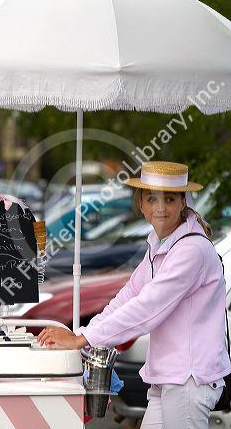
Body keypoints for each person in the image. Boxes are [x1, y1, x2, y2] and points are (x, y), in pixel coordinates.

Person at [37, 161, 231, 429]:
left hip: (189, 379)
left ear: (183, 202)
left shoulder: (192, 250)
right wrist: (85, 335)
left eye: (170, 199)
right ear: (141, 204)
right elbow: (126, 298)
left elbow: (148, 308)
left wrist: (82, 338)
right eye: (152, 198)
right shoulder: (159, 246)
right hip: (168, 378)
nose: (160, 208)